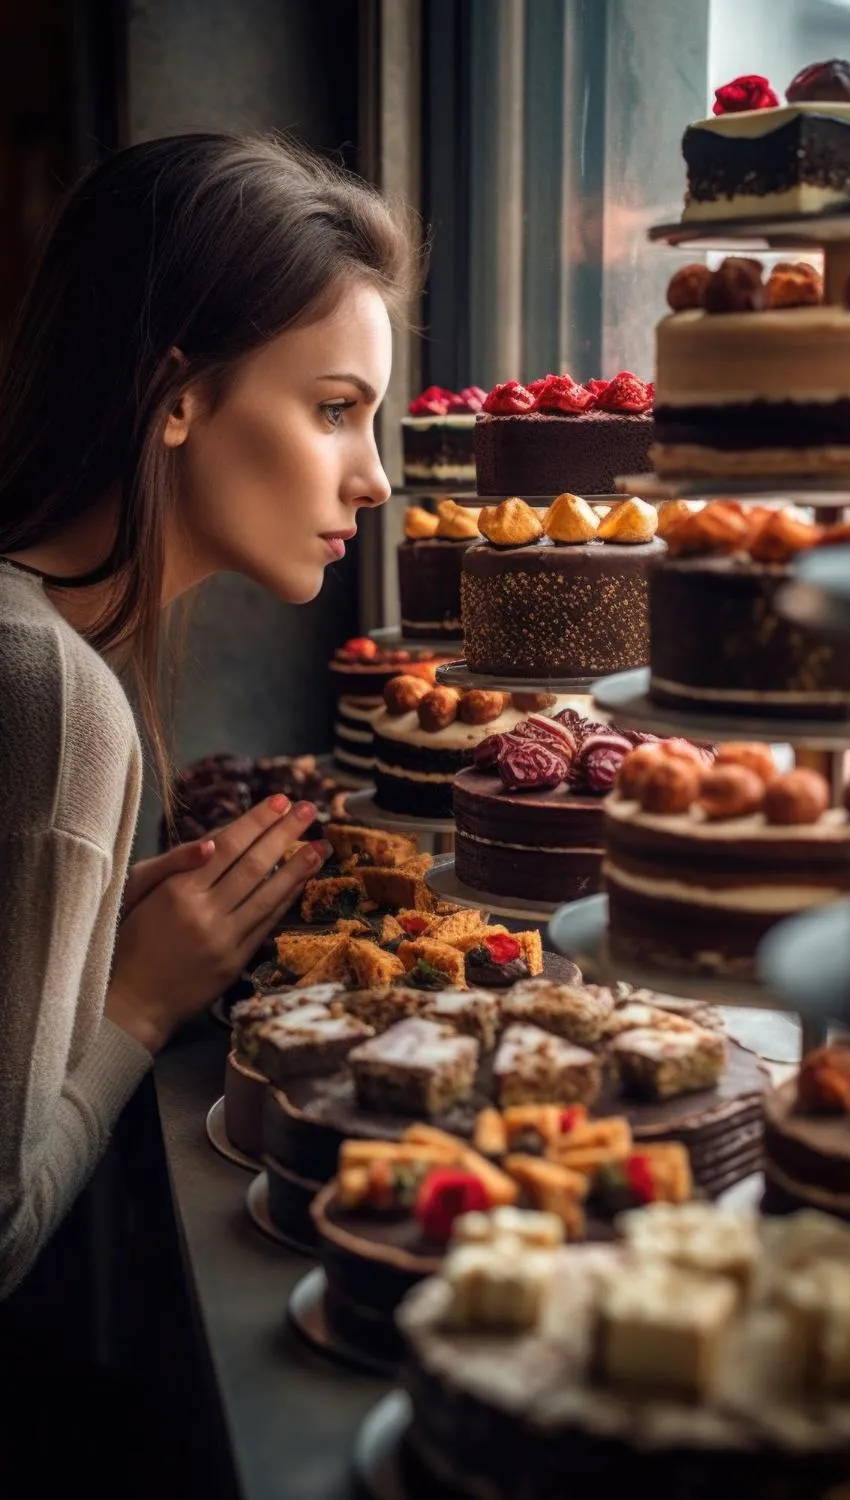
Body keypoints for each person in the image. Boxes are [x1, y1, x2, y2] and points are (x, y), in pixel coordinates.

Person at [0, 133, 417, 1300]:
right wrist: (138, 998)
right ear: (178, 397)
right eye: (336, 408)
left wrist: (79, 956)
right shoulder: (48, 692)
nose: (374, 477)